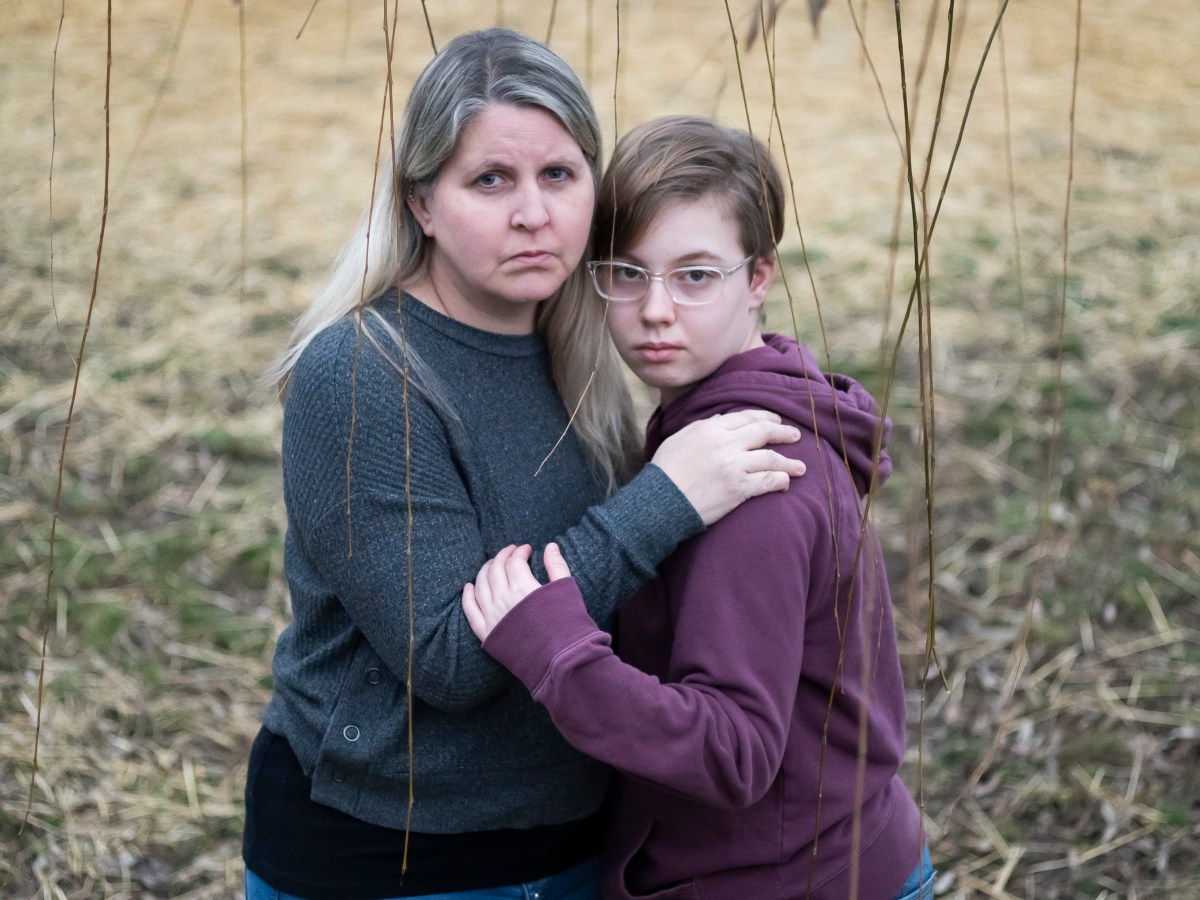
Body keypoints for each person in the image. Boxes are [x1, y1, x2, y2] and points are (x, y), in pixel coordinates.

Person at [242, 33, 806, 900]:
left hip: (578, 843)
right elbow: (451, 661)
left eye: (559, 175)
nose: (534, 214)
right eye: (490, 180)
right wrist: (664, 501)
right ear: (423, 203)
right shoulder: (361, 376)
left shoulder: (579, 354)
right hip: (389, 857)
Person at [462, 116, 933, 899]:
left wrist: (559, 653)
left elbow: (734, 750)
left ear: (758, 277)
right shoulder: (728, 422)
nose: (654, 311)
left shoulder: (752, 483)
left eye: (695, 275)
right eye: (627, 272)